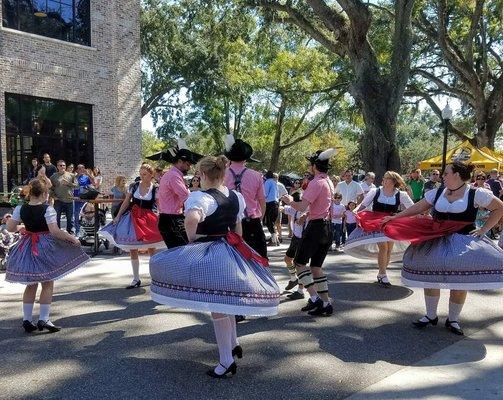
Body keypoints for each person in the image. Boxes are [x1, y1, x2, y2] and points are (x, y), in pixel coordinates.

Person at [149, 155, 280, 378]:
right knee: (226, 300)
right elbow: (238, 227)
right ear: (222, 175)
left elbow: (191, 219)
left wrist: (192, 241)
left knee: (217, 303)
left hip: (211, 250)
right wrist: (236, 244)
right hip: (231, 248)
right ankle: (233, 345)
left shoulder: (199, 197)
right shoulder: (236, 196)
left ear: (202, 175)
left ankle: (226, 361)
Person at [382, 162, 503, 335]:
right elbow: (418, 207)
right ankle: (431, 315)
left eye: (446, 173)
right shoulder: (437, 192)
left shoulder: (477, 193)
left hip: (463, 241)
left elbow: (500, 208)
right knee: (431, 276)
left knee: (460, 282)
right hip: (436, 239)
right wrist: (395, 217)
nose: (442, 176)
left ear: (457, 175)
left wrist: (484, 229)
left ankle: (453, 319)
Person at [5, 179, 89, 333]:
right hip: (44, 246)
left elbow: (10, 228)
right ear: (44, 194)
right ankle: (44, 318)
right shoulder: (48, 209)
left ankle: (27, 319)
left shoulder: (20, 208)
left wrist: (17, 223)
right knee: (47, 282)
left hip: (27, 245)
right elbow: (55, 231)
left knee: (31, 283)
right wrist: (72, 238)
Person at [282, 148, 336, 316]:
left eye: (310, 164)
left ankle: (315, 299)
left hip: (316, 228)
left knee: (299, 264)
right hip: (327, 227)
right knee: (316, 267)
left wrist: (290, 201)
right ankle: (325, 303)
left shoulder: (315, 182)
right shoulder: (328, 181)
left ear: (314, 166)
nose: (308, 167)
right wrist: (307, 214)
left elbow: (301, 206)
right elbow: (324, 205)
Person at [343, 171, 414, 286]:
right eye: (384, 178)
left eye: (387, 178)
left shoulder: (401, 194)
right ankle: (383, 274)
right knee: (383, 246)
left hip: (391, 222)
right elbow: (364, 205)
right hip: (377, 222)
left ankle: (382, 274)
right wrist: (356, 211)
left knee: (389, 248)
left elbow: (411, 208)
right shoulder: (375, 191)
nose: (384, 180)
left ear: (394, 181)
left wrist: (419, 214)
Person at [101, 164, 165, 288]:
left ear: (151, 175)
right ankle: (136, 279)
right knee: (132, 247)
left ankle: (154, 277)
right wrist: (118, 216)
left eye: (144, 174)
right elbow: (126, 202)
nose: (142, 176)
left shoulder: (155, 188)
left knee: (151, 248)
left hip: (148, 219)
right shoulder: (134, 186)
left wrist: (162, 216)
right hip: (133, 217)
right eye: (140, 174)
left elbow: (159, 204)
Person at [224, 135, 267, 259]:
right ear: (246, 158)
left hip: (229, 223)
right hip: (252, 223)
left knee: (234, 262)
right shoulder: (256, 175)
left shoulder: (222, 175)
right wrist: (260, 219)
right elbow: (262, 202)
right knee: (259, 260)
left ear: (230, 157)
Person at [158, 139, 203, 248]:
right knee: (183, 253)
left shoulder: (173, 174)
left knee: (178, 253)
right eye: (188, 164)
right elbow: (186, 197)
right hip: (172, 220)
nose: (189, 167)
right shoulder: (174, 176)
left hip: (169, 218)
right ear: (179, 161)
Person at [282, 204, 307, 299]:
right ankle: (293, 279)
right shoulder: (294, 208)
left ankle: (300, 291)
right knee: (287, 259)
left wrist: (306, 215)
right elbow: (283, 209)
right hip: (295, 238)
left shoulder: (308, 208)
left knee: (300, 265)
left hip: (304, 239)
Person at [50, 160, 77, 234]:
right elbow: (50, 188)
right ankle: (58, 234)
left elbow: (77, 186)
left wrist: (68, 183)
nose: (62, 167)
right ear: (57, 167)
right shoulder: (53, 177)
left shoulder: (71, 175)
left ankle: (70, 234)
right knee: (57, 218)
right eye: (60, 165)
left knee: (70, 219)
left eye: (64, 165)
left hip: (69, 200)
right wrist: (53, 196)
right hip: (58, 200)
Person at [73, 164, 93, 236]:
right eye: (79, 168)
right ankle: (77, 231)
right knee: (76, 215)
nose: (81, 169)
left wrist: (88, 174)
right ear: (77, 170)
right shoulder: (74, 177)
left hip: (85, 199)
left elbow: (93, 183)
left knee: (86, 215)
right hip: (76, 199)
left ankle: (87, 231)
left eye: (82, 168)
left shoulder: (86, 177)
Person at [264, 171, 280, 246]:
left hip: (269, 204)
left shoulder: (267, 182)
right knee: (272, 223)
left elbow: (265, 193)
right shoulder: (275, 183)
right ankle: (276, 239)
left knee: (269, 222)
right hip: (276, 203)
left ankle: (274, 240)